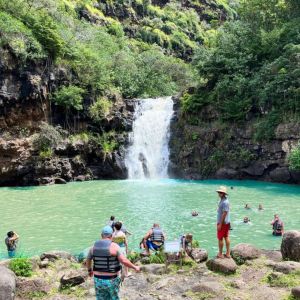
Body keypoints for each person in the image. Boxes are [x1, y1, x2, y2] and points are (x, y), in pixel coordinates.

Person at [86, 226, 140, 300]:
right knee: (114, 298)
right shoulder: (115, 247)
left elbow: (88, 260)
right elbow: (124, 261)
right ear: (111, 236)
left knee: (101, 298)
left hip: (97, 279)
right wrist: (135, 267)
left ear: (101, 235)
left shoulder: (93, 247)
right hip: (111, 280)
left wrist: (89, 270)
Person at [216, 186, 231, 259]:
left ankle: (220, 254)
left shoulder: (225, 202)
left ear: (224, 193)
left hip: (222, 223)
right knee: (226, 236)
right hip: (226, 222)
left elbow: (224, 213)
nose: (219, 193)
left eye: (221, 192)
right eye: (219, 192)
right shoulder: (224, 200)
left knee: (220, 238)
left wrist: (220, 224)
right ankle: (228, 253)